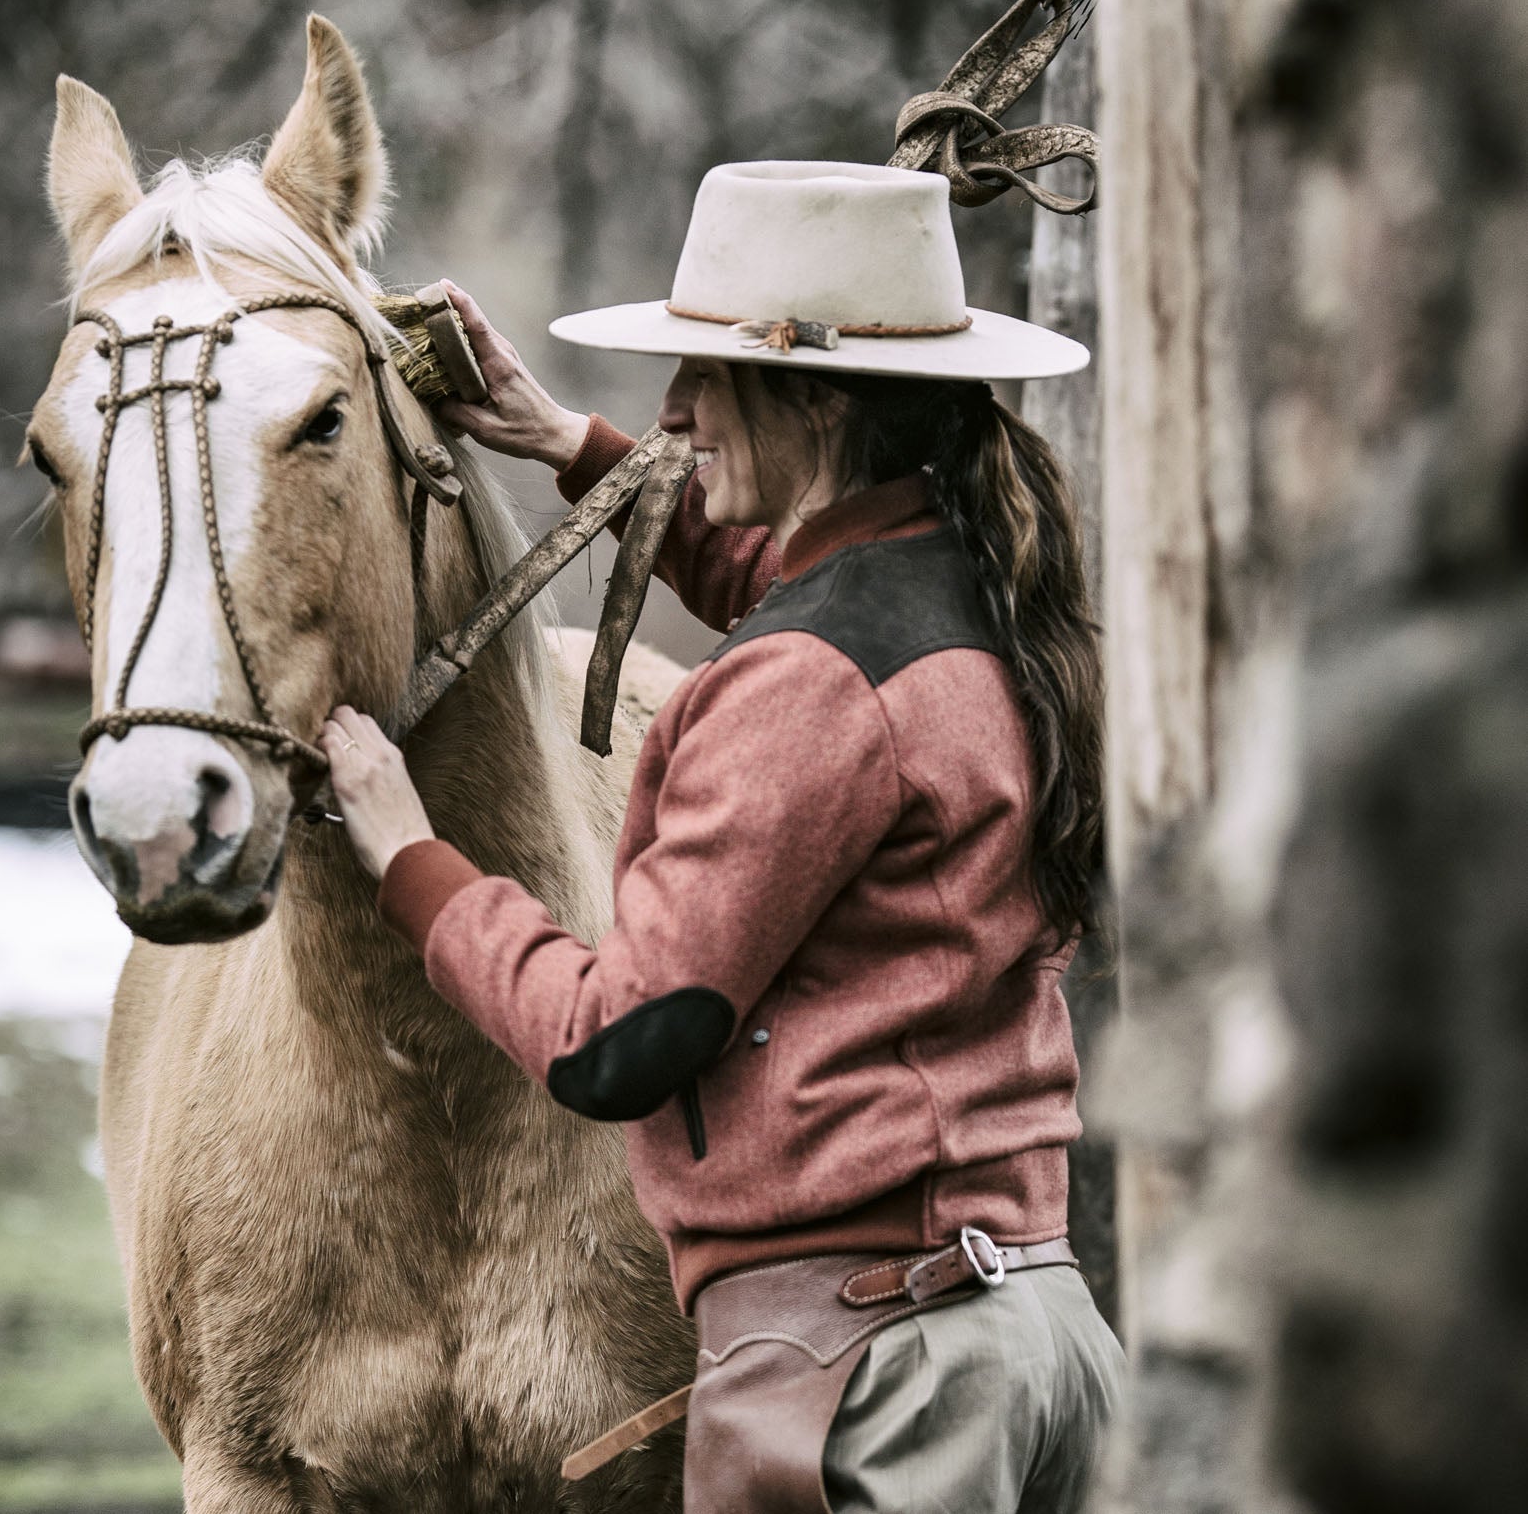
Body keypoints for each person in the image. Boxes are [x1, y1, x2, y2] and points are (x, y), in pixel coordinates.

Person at [320, 161, 1124, 1514]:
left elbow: (617, 1040)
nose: (675, 411)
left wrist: (414, 858)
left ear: (816, 402)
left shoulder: (810, 684)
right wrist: (563, 441)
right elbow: (798, 601)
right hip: (1030, 1341)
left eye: (708, 376)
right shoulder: (975, 602)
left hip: (868, 1376)